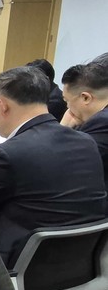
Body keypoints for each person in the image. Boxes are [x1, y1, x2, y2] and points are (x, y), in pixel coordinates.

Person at [0, 66, 106, 269]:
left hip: (18, 267)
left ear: (2, 106)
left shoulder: (6, 154)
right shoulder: (86, 142)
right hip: (80, 265)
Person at [60, 60, 108, 192]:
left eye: (67, 101)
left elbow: (65, 162)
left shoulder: (102, 122)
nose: (68, 107)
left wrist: (63, 129)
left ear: (86, 98)